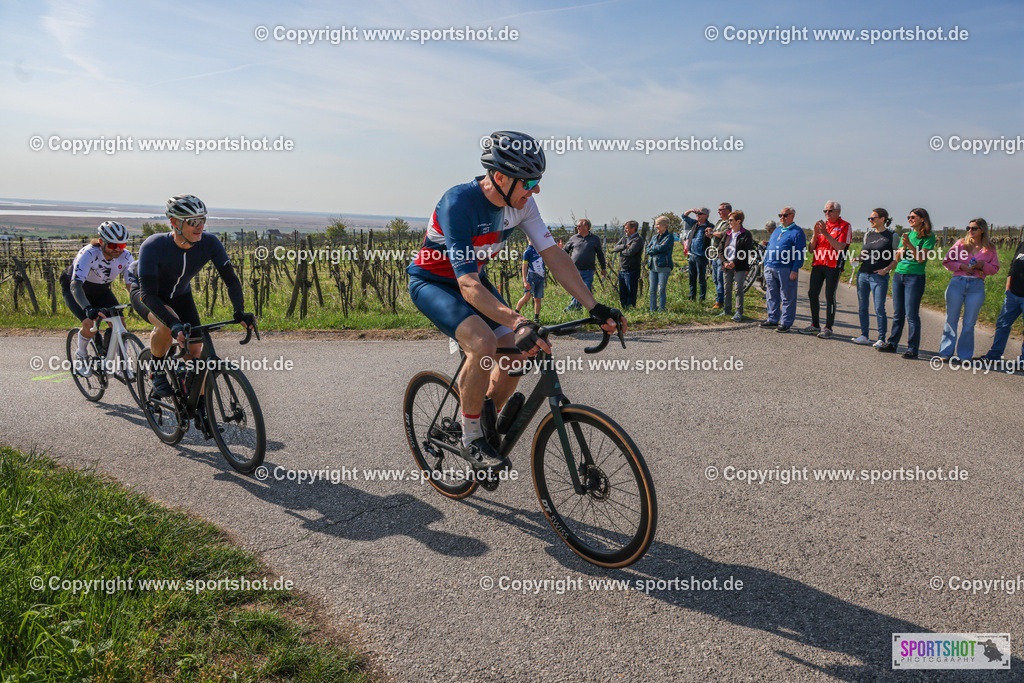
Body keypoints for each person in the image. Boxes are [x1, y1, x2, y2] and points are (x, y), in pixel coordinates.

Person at [406, 131, 622, 475]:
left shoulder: (523, 204)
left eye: (538, 180)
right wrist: (518, 320)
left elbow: (553, 255)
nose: (536, 190)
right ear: (501, 177)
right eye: (530, 181)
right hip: (436, 283)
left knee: (522, 353)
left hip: (475, 280)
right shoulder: (457, 203)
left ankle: (481, 410)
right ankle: (471, 436)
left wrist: (594, 307)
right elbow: (465, 283)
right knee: (483, 343)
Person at [134, 195, 254, 436]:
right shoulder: (154, 245)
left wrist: (239, 310)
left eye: (202, 220)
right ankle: (156, 367)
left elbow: (230, 279)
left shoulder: (209, 243)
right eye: (192, 221)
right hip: (149, 296)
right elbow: (148, 294)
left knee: (196, 352)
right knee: (168, 328)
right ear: (174, 223)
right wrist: (174, 323)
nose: (200, 226)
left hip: (180, 295)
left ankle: (199, 411)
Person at [60, 221, 134, 375]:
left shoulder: (126, 256)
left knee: (120, 324)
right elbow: (75, 286)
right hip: (76, 289)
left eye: (122, 245)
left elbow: (131, 285)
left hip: (101, 290)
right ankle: (81, 355)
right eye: (113, 246)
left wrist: (140, 301)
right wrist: (87, 308)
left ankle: (122, 365)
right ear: (102, 242)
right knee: (90, 324)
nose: (118, 250)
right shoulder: (89, 254)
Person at [938, 218, 1000, 360]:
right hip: (957, 283)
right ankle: (945, 353)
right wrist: (961, 266)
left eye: (974, 228)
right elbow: (946, 261)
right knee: (951, 319)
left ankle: (964, 355)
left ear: (982, 230)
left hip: (976, 286)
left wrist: (982, 265)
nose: (970, 231)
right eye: (968, 228)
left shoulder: (990, 248)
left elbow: (995, 269)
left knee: (969, 322)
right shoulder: (960, 244)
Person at [878, 207, 936, 358]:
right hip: (899, 275)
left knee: (911, 315)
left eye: (913, 217)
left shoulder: (928, 237)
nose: (910, 219)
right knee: (898, 313)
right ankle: (892, 343)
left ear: (923, 219)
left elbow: (921, 258)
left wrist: (909, 245)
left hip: (915, 277)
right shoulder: (908, 234)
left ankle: (912, 348)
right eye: (908, 217)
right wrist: (900, 251)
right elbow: (897, 259)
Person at [802, 201, 851, 339]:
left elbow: (840, 247)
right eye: (825, 211)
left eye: (830, 211)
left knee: (829, 295)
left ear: (838, 212)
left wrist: (826, 234)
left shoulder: (845, 226)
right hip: (818, 263)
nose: (826, 214)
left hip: (833, 265)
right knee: (812, 294)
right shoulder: (822, 226)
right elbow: (811, 249)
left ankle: (828, 327)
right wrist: (814, 234)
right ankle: (815, 325)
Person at [852, 209, 898, 346]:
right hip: (863, 274)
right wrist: (857, 259)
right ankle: (864, 336)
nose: (870, 221)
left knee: (879, 308)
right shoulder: (868, 235)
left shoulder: (892, 236)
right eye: (870, 218)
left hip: (879, 276)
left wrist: (886, 270)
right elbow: (864, 254)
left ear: (883, 219)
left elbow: (897, 258)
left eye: (873, 218)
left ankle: (881, 338)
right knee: (862, 307)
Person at [980, 234, 1024, 368]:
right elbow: (1013, 266)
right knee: (1002, 324)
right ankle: (994, 356)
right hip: (1012, 294)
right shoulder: (1022, 245)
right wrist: (1008, 287)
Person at [760, 207, 806, 332]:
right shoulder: (777, 230)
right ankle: (772, 319)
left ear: (792, 216)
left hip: (786, 268)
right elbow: (770, 246)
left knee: (787, 296)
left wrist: (795, 269)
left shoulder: (797, 232)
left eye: (785, 215)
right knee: (771, 295)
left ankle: (786, 322)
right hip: (770, 267)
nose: (782, 217)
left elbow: (800, 252)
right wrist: (765, 265)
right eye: (780, 215)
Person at [562, 218, 607, 311]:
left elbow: (600, 254)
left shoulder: (595, 239)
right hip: (574, 270)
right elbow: (564, 251)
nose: (577, 228)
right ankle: (577, 310)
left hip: (588, 271)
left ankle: (571, 308)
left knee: (584, 291)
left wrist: (603, 268)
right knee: (575, 291)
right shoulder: (573, 238)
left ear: (586, 227)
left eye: (579, 226)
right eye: (577, 226)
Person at [719, 210, 754, 322]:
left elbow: (747, 251)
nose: (729, 222)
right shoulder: (727, 233)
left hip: (740, 266)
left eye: (731, 220)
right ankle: (727, 310)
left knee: (738, 289)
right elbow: (720, 249)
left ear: (738, 221)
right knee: (726, 289)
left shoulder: (746, 234)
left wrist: (734, 262)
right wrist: (724, 262)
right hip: (727, 265)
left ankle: (738, 312)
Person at [610, 220, 643, 308]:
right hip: (622, 269)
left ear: (633, 228)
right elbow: (615, 248)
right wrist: (624, 246)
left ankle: (630, 308)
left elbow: (630, 252)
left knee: (631, 290)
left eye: (627, 228)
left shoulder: (638, 239)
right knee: (623, 291)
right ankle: (624, 307)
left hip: (632, 269)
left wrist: (621, 251)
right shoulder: (624, 238)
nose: (625, 230)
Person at [682, 208, 712, 300]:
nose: (698, 215)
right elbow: (684, 216)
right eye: (697, 213)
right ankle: (692, 297)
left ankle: (702, 298)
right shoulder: (695, 224)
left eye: (700, 214)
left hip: (701, 256)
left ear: (706, 216)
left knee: (701, 279)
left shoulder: (709, 226)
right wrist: (691, 210)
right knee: (692, 278)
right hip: (692, 255)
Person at [647, 216, 674, 311]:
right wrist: (656, 247)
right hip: (653, 267)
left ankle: (661, 309)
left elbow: (664, 248)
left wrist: (653, 248)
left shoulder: (669, 237)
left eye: (658, 224)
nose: (656, 227)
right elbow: (647, 250)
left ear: (664, 225)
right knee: (652, 290)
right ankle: (652, 309)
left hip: (663, 266)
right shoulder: (654, 237)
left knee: (661, 289)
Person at [514, 243, 545, 322]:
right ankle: (515, 314)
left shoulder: (541, 249)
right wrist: (524, 281)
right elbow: (524, 267)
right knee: (527, 296)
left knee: (537, 298)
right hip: (532, 277)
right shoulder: (527, 252)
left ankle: (536, 319)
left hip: (541, 277)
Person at [710, 203, 731, 309]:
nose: (718, 211)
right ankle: (719, 298)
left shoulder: (729, 222)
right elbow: (716, 233)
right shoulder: (719, 222)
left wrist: (713, 233)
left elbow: (723, 234)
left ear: (727, 211)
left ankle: (720, 301)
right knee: (715, 278)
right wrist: (711, 233)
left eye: (721, 210)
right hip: (713, 254)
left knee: (719, 278)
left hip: (721, 254)